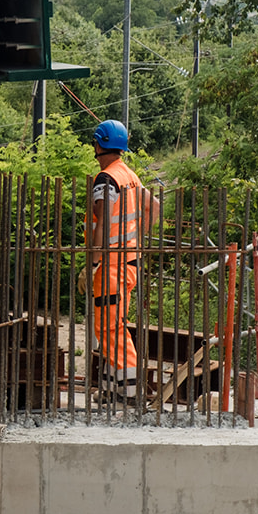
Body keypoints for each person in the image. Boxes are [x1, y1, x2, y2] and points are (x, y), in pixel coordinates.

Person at [84, 119, 154, 402]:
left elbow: (101, 225)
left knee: (111, 327)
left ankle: (130, 393)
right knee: (108, 326)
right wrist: (135, 241)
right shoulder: (129, 175)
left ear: (98, 144)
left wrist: (93, 264)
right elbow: (154, 206)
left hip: (111, 264)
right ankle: (113, 390)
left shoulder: (106, 179)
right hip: (129, 261)